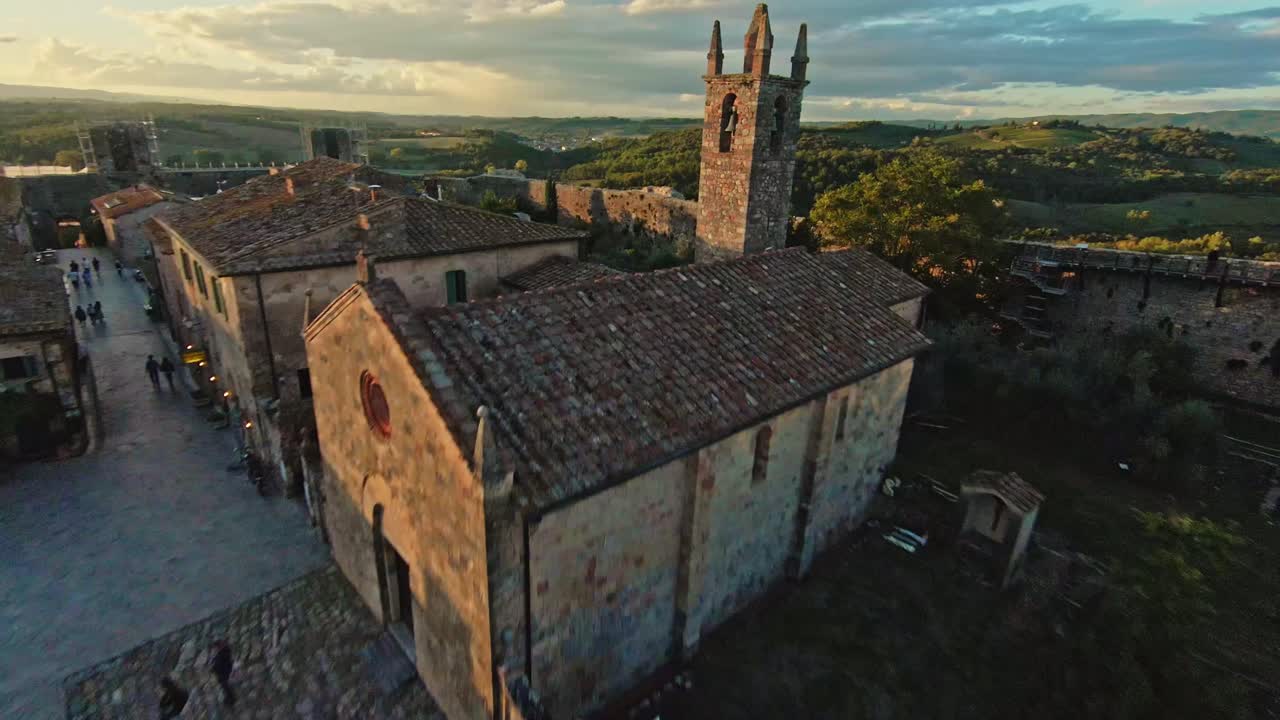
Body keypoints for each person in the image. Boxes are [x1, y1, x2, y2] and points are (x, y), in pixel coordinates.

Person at [210, 639, 235, 706]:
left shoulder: (223, 653)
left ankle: (230, 700)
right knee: (225, 687)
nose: (215, 649)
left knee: (226, 687)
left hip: (224, 673)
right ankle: (229, 699)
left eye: (216, 647)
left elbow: (220, 664)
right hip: (223, 673)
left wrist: (214, 668)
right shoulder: (222, 652)